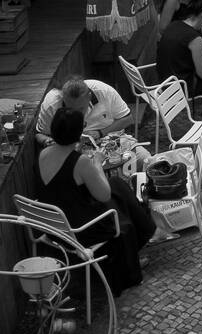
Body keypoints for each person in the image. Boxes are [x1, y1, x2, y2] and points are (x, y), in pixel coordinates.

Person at [36, 108, 155, 295]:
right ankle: (140, 240)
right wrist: (97, 162)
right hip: (80, 230)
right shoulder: (80, 162)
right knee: (116, 191)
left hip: (54, 225)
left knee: (117, 184)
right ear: (77, 133)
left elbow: (66, 186)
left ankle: (140, 235)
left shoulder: (44, 154)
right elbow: (104, 195)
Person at [36, 77, 133, 149]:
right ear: (63, 98)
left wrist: (100, 133)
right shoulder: (51, 104)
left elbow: (128, 119)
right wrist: (47, 141)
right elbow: (39, 135)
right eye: (71, 109)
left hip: (110, 140)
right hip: (69, 149)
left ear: (89, 97)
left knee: (144, 157)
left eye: (81, 108)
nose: (77, 114)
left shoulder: (104, 91)